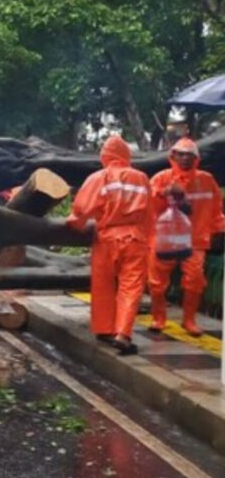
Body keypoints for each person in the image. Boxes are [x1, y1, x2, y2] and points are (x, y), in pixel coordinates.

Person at [67, 135, 152, 355]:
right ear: (126, 155)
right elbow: (149, 214)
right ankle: (123, 334)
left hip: (106, 238)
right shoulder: (141, 178)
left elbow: (80, 210)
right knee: (130, 288)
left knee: (103, 285)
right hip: (134, 239)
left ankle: (105, 329)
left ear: (105, 156)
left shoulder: (99, 178)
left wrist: (75, 225)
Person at [147, 138, 225, 336]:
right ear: (172, 156)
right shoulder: (161, 179)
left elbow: (216, 209)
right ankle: (158, 318)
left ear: (196, 158)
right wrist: (162, 194)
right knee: (156, 282)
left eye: (188, 155)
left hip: (194, 240)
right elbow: (147, 207)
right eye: (180, 154)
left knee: (195, 279)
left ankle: (189, 320)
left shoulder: (206, 180)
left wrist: (218, 230)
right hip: (164, 239)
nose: (184, 159)